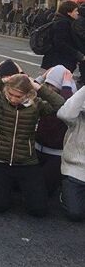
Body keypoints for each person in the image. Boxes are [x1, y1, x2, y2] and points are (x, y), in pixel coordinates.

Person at [0, 73, 65, 217]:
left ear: (27, 94)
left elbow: (60, 103)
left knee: (39, 211)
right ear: (6, 89)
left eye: (18, 96)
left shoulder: (36, 104)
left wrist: (37, 86)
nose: (13, 99)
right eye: (11, 94)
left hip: (27, 161)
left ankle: (19, 187)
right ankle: (8, 187)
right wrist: (3, 79)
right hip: (0, 160)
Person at [34, 65, 75, 195]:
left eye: (52, 86)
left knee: (45, 190)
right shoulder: (42, 98)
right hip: (36, 149)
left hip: (56, 155)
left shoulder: (71, 100)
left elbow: (66, 107)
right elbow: (26, 89)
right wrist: (42, 77)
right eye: (47, 85)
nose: (48, 89)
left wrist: (67, 85)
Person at [57, 84, 85, 221]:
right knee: (75, 213)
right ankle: (65, 193)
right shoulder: (79, 117)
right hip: (75, 170)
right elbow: (63, 114)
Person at [41, 0, 83, 73]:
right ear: (69, 12)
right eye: (75, 11)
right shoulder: (62, 23)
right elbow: (60, 43)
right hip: (59, 62)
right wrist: (77, 54)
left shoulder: (63, 21)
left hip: (58, 61)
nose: (77, 13)